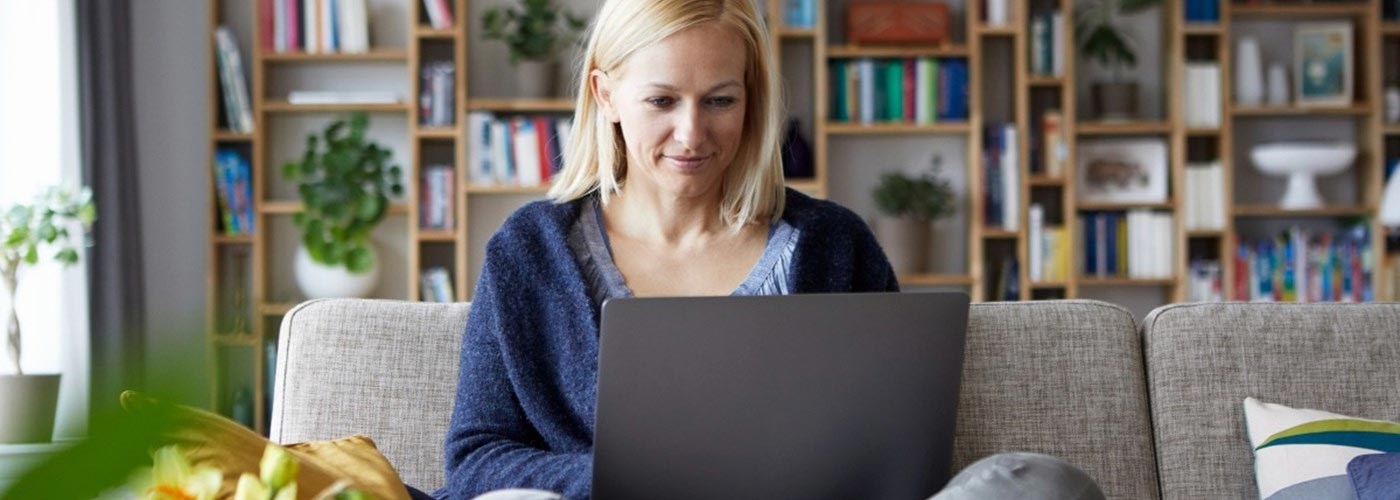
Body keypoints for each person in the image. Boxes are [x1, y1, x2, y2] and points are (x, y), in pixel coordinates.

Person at [431, 0, 1105, 499]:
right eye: (662, 100)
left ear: (752, 101)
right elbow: (476, 460)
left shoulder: (833, 244)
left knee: (1040, 484)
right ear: (605, 96)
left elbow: (896, 444)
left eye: (720, 100)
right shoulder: (529, 251)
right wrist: (627, 480)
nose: (691, 133)